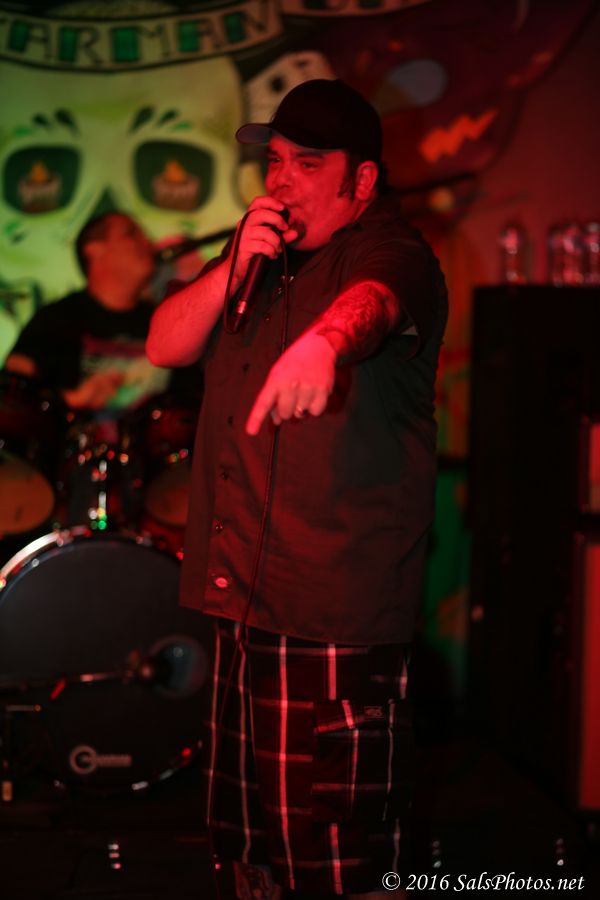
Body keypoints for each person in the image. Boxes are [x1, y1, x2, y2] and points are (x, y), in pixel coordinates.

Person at [146, 79, 448, 899]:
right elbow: (164, 346)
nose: (280, 180)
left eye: (307, 164)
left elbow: (374, 302)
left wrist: (322, 344)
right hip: (243, 598)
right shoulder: (257, 259)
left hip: (330, 614)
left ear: (362, 180)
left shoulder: (393, 252)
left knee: (337, 860)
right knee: (249, 849)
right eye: (275, 161)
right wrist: (229, 267)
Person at [4, 211, 169, 411]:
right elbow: (11, 398)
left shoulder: (165, 321)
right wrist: (72, 400)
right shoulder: (56, 319)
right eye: (131, 234)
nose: (148, 242)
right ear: (94, 250)